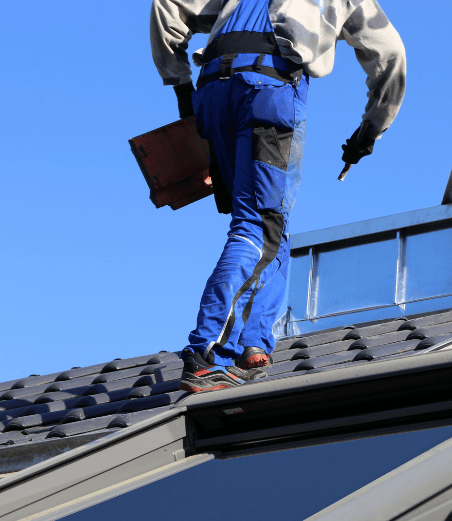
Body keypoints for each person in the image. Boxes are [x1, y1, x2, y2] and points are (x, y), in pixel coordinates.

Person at [150, 0, 406, 393]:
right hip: (267, 87)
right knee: (257, 226)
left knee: (273, 222)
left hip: (213, 92)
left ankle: (253, 341)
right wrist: (370, 130)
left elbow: (168, 4)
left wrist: (182, 86)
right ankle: (208, 354)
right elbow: (391, 56)